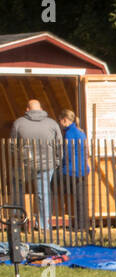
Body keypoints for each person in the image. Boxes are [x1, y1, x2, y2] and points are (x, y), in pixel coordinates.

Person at [10, 99, 62, 230]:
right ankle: (44, 224)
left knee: (18, 187)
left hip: (25, 163)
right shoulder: (52, 124)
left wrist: (17, 158)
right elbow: (59, 145)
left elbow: (12, 145)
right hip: (47, 164)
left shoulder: (19, 123)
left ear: (27, 109)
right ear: (41, 108)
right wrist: (56, 162)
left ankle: (18, 217)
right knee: (43, 193)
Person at [57, 109, 90, 234]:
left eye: (60, 120)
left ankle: (79, 226)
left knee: (77, 198)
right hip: (83, 168)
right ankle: (83, 225)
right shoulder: (81, 132)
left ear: (65, 120)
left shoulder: (69, 133)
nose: (60, 123)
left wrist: (62, 165)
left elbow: (68, 153)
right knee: (82, 198)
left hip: (73, 170)